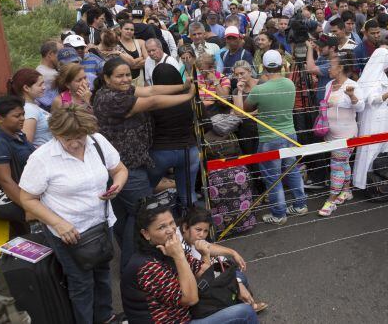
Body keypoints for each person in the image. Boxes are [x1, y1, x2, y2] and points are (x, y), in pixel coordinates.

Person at [18, 107, 128, 324]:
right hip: (69, 233)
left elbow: (120, 170)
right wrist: (58, 223)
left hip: (101, 223)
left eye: (80, 137)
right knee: (81, 284)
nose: (76, 143)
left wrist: (117, 185)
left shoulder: (97, 142)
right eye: (68, 139)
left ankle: (105, 317)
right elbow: (27, 198)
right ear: (55, 134)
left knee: (103, 274)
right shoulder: (42, 158)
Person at [92, 57, 196, 268]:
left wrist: (183, 86)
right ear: (106, 78)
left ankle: (129, 263)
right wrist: (188, 96)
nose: (125, 79)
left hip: (121, 165)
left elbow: (150, 90)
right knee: (145, 214)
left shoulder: (119, 92)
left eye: (127, 75)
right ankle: (136, 266)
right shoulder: (111, 99)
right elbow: (153, 101)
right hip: (128, 167)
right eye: (119, 76)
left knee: (124, 216)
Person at [121, 199, 259, 323]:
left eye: (171, 223)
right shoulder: (147, 266)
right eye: (162, 227)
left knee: (239, 278)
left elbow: (204, 271)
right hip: (179, 319)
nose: (170, 230)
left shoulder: (167, 246)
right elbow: (191, 299)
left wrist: (237, 284)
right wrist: (179, 256)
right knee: (245, 313)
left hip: (186, 311)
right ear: (146, 234)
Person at [243, 50, 307, 225]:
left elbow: (246, 109)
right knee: (292, 170)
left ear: (263, 66)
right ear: (281, 65)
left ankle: (279, 214)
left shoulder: (259, 90)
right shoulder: (290, 84)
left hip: (269, 138)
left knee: (273, 177)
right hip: (289, 134)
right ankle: (300, 205)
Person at [178, 208, 267, 313]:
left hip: (199, 281)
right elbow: (206, 277)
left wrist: (233, 253)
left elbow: (208, 246)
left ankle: (244, 303)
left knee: (236, 275)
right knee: (239, 278)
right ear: (185, 227)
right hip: (191, 299)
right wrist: (236, 283)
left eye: (205, 231)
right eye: (198, 230)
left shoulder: (190, 237)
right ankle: (241, 307)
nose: (202, 235)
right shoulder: (179, 247)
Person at [149, 64, 201, 212]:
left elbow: (147, 128)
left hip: (160, 152)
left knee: (145, 192)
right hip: (189, 150)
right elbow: (205, 121)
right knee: (188, 195)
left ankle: (150, 223)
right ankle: (195, 223)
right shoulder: (190, 97)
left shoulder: (153, 102)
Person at [317, 54, 364, 217]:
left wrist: (351, 95)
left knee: (336, 165)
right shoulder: (329, 84)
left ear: (341, 68)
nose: (328, 68)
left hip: (346, 135)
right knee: (343, 163)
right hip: (330, 133)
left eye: (331, 65)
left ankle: (331, 201)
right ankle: (346, 190)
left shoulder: (352, 85)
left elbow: (360, 107)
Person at [352, 48, 388, 189]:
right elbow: (372, 100)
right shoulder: (371, 78)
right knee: (371, 147)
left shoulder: (380, 75)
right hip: (373, 116)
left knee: (383, 146)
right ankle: (366, 181)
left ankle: (382, 179)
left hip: (384, 115)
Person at [0, 96, 35, 232]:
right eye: (16, 116)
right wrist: (30, 207)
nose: (22, 118)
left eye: (23, 114)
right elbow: (5, 181)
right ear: (0, 118)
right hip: (21, 202)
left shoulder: (18, 135)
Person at [8, 69, 52, 147]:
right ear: (26, 88)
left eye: (43, 84)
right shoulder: (28, 110)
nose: (44, 87)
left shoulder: (32, 106)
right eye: (40, 85)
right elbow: (27, 144)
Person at [37, 40, 61, 110]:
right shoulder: (52, 75)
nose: (62, 56)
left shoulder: (39, 68)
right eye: (60, 53)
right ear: (50, 54)